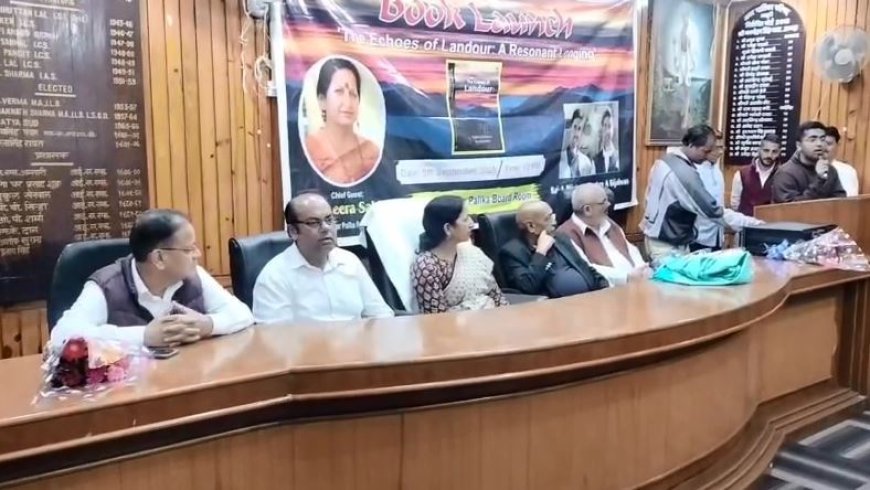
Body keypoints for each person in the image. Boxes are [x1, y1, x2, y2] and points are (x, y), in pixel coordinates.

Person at [51, 210, 253, 348]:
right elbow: (62, 336)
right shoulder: (107, 285)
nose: (197, 254)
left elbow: (243, 314)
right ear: (159, 258)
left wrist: (206, 325)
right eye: (188, 249)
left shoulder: (194, 275)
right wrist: (144, 336)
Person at [253, 191, 393, 324]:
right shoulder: (274, 277)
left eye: (329, 220)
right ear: (293, 231)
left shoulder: (350, 261)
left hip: (356, 340)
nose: (326, 228)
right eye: (314, 222)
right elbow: (275, 335)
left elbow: (380, 314)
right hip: (306, 342)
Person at [640, 124, 724, 260]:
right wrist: (750, 223)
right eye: (706, 151)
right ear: (691, 145)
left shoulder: (664, 161)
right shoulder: (683, 172)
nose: (708, 155)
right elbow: (712, 211)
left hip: (667, 239)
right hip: (667, 244)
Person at [412, 195, 508, 313]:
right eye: (465, 219)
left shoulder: (472, 253)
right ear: (448, 228)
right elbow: (437, 318)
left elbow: (497, 296)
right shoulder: (427, 267)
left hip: (496, 318)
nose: (471, 223)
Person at [498, 200, 609, 297]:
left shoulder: (560, 238)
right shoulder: (512, 252)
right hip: (554, 308)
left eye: (553, 215)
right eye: (548, 218)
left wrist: (604, 288)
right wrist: (541, 253)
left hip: (589, 299)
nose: (554, 220)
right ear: (531, 226)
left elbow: (585, 268)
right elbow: (528, 287)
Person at [305, 58, 380, 185]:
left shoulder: (371, 150)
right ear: (322, 100)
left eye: (353, 94)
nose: (347, 102)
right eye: (339, 92)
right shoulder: (309, 148)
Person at [558, 184, 647, 286]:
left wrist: (642, 268)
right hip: (607, 291)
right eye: (603, 202)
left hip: (636, 284)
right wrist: (626, 276)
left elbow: (631, 250)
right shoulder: (566, 234)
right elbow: (586, 269)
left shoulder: (608, 222)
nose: (608, 204)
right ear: (587, 210)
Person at [691, 133, 763, 251]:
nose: (720, 152)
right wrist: (751, 223)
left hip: (716, 237)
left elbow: (720, 206)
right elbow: (714, 211)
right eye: (717, 148)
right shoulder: (694, 172)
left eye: (722, 147)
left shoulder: (716, 170)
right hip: (697, 238)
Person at [731, 133, 781, 216]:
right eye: (766, 150)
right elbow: (735, 205)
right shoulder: (742, 174)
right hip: (746, 222)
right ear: (759, 150)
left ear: (779, 153)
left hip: (771, 222)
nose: (769, 155)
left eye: (774, 152)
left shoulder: (783, 175)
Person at [560, 109, 595, 178]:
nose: (576, 133)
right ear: (571, 128)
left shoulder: (587, 163)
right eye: (575, 127)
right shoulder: (559, 159)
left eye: (579, 129)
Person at [825, 126, 860, 196]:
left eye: (829, 144)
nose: (824, 148)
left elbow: (850, 200)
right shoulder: (807, 169)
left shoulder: (847, 171)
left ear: (837, 145)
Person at [593, 109, 619, 173]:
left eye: (609, 126)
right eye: (605, 126)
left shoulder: (619, 158)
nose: (607, 131)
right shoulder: (595, 160)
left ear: (613, 130)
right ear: (602, 128)